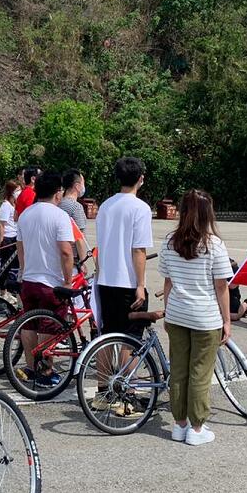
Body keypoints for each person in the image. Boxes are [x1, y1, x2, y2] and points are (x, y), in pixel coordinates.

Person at [158, 189, 232, 447]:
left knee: (178, 371)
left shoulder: (170, 241)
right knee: (200, 373)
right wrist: (227, 320)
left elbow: (167, 282)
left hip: (177, 314)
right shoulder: (214, 244)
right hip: (205, 317)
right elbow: (221, 286)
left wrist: (168, 311)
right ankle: (197, 427)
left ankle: (179, 425)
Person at [92, 157, 160, 416]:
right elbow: (138, 250)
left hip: (105, 280)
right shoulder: (140, 208)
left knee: (106, 336)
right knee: (130, 340)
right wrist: (140, 284)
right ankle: (126, 395)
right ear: (140, 178)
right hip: (127, 283)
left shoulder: (106, 206)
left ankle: (103, 393)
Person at [14, 171, 76, 389]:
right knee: (49, 328)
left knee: (29, 324)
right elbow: (66, 252)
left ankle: (31, 368)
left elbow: (20, 248)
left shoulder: (25, 215)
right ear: (58, 193)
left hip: (29, 280)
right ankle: (46, 372)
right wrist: (68, 281)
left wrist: (24, 271)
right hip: (51, 282)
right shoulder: (60, 216)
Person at [58, 168, 90, 267]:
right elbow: (79, 238)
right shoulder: (76, 207)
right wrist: (83, 262)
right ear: (77, 186)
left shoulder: (59, 203)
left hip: (59, 254)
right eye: (83, 183)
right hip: (73, 259)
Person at [0, 179, 20, 267]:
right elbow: (1, 224)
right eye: (17, 190)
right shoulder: (6, 205)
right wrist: (1, 240)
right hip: (8, 238)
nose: (19, 192)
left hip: (15, 236)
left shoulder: (14, 204)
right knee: (6, 264)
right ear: (11, 191)